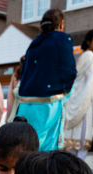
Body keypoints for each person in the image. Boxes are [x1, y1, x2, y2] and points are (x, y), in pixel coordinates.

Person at [16, 9, 77, 151]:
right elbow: (69, 71)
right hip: (49, 101)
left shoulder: (34, 43)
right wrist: (65, 92)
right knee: (46, 146)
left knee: (24, 143)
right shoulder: (62, 39)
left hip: (26, 101)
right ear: (61, 24)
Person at [64, 29, 93, 161]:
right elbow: (90, 82)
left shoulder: (85, 55)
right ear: (88, 41)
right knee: (81, 144)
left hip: (75, 98)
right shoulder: (91, 57)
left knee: (73, 146)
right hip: (83, 102)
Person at [5, 56, 24, 123]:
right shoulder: (16, 75)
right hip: (16, 107)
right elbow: (11, 94)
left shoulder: (33, 74)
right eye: (23, 62)